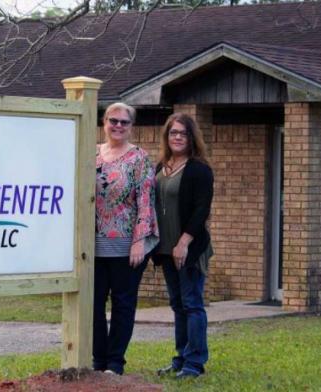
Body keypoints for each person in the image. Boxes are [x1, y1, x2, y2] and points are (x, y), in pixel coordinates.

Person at [93, 102, 159, 375]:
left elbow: (146, 202)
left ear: (132, 127)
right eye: (113, 120)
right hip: (92, 246)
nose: (118, 126)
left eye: (124, 122)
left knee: (123, 304)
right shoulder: (91, 154)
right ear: (104, 122)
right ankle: (99, 360)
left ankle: (115, 363)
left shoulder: (139, 159)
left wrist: (139, 241)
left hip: (126, 246)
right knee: (93, 305)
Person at [154, 113, 214, 379]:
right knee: (178, 305)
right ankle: (181, 358)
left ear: (192, 138)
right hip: (165, 249)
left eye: (183, 133)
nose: (178, 137)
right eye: (173, 132)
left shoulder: (199, 169)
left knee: (192, 304)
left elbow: (202, 210)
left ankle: (195, 363)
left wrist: (183, 242)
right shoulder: (161, 166)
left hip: (188, 249)